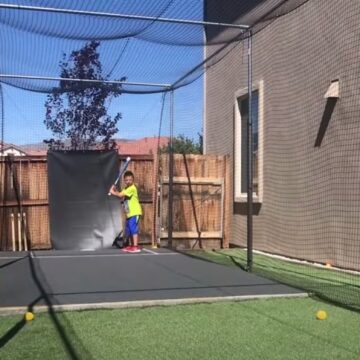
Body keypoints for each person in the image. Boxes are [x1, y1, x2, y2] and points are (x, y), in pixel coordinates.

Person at [110, 170, 142, 253]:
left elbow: (120, 195)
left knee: (133, 229)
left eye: (130, 180)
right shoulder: (126, 188)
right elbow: (121, 195)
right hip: (129, 213)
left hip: (134, 212)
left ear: (133, 180)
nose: (128, 181)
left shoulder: (132, 188)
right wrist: (115, 190)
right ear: (124, 180)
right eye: (127, 180)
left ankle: (135, 246)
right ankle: (131, 246)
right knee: (129, 230)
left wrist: (112, 192)